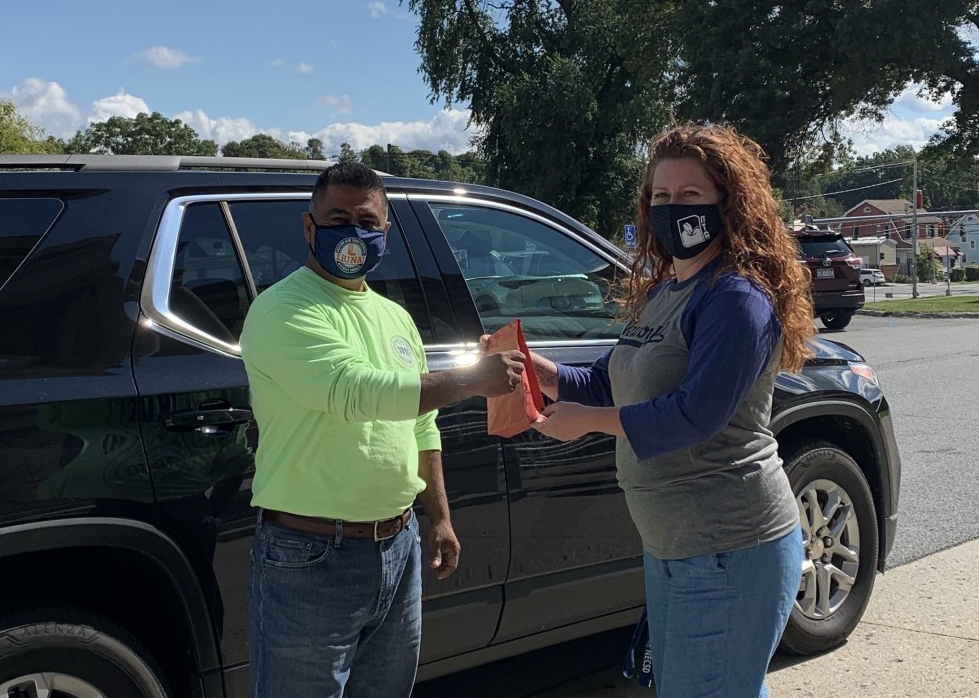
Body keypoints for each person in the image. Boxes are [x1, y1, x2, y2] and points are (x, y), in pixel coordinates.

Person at [520, 122, 816, 697]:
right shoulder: (664, 292)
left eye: (690, 196)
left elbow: (693, 415)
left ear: (726, 204)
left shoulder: (736, 298)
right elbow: (609, 381)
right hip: (677, 546)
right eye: (661, 196)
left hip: (729, 544)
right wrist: (536, 370)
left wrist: (588, 425)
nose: (672, 208)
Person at [239, 162, 525, 698]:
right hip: (310, 555)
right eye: (337, 217)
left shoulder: (394, 317)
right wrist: (470, 380)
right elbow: (354, 392)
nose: (353, 232)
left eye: (366, 220)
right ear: (309, 228)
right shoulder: (282, 310)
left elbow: (420, 423)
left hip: (399, 546)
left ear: (385, 231)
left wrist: (439, 517)